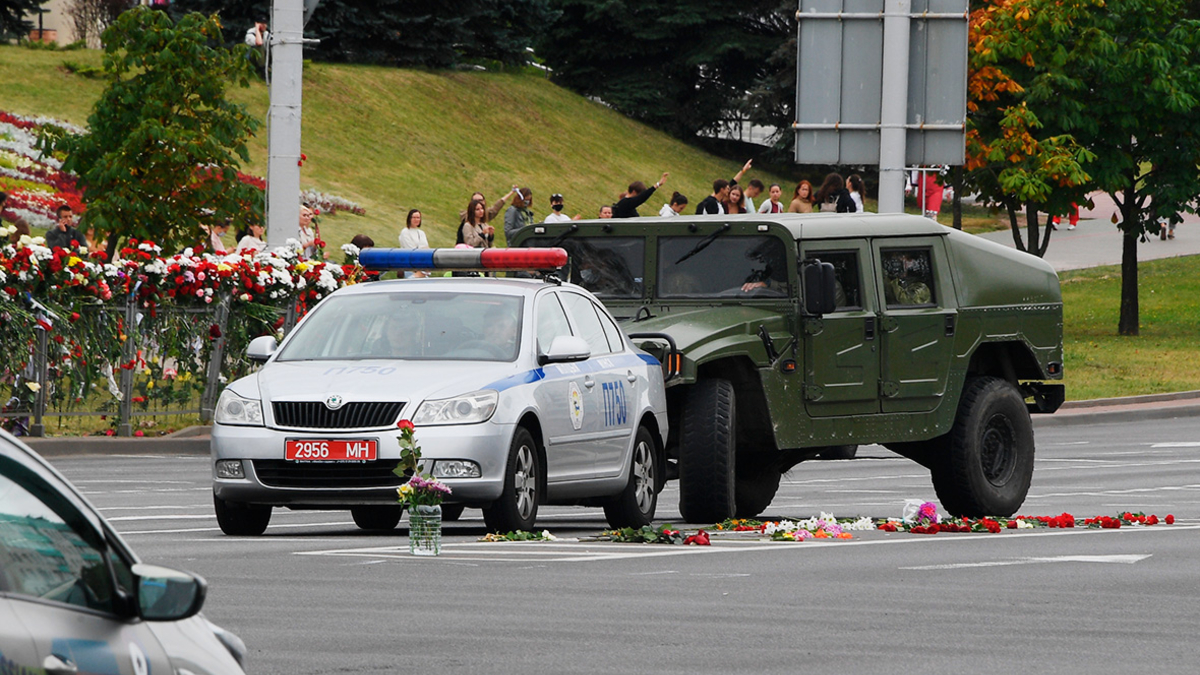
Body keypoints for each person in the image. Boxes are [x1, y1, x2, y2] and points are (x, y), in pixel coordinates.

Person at [399, 209, 430, 278]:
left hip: (422, 267)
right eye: (414, 217)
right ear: (409, 219)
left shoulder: (421, 233)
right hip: (410, 266)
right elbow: (410, 250)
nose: (416, 219)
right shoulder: (405, 232)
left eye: (418, 217)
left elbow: (426, 248)